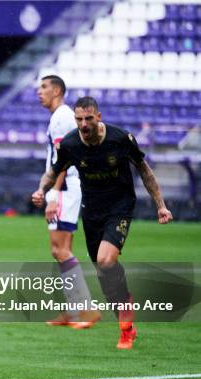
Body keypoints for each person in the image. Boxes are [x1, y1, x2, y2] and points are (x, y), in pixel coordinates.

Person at [32, 96, 173, 349]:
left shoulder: (120, 139)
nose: (83, 124)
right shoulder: (71, 143)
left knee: (107, 260)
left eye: (88, 118)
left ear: (98, 116)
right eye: (79, 119)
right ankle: (126, 319)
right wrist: (43, 190)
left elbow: (144, 170)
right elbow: (53, 171)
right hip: (91, 210)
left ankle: (125, 328)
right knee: (103, 271)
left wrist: (160, 205)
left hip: (119, 207)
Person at [36, 75, 100, 329]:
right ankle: (72, 311)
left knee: (59, 249)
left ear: (58, 90)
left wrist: (54, 194)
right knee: (62, 249)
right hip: (69, 187)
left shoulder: (62, 117)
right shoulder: (60, 116)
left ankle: (86, 309)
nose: (39, 92)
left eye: (44, 87)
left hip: (66, 188)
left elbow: (65, 157)